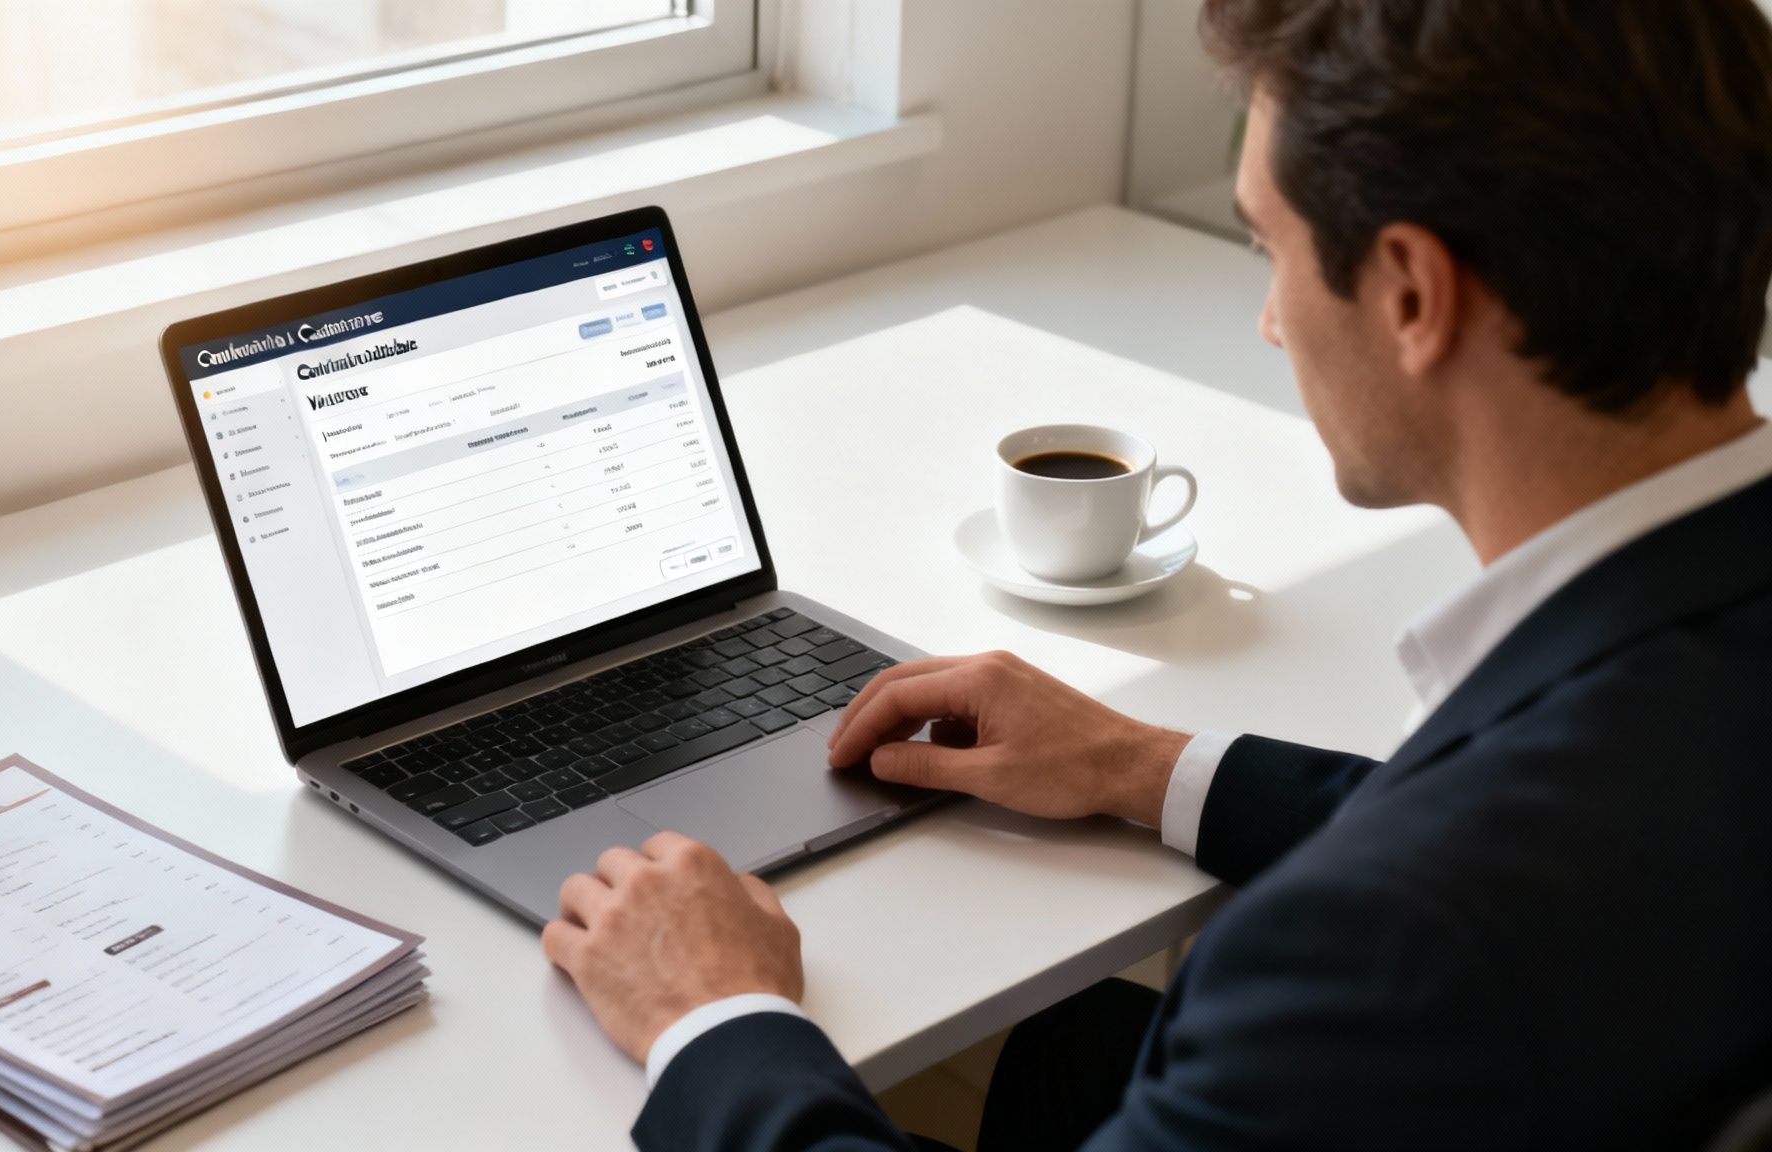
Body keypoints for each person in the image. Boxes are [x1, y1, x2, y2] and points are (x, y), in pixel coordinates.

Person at [540, 1, 1772, 1148]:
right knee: (1066, 1047)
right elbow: (1571, 835)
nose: (1270, 322)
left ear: (1409, 294)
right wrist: (1141, 765)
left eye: (1267, 247)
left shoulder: (1381, 948)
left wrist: (713, 1018)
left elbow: (1449, 895)